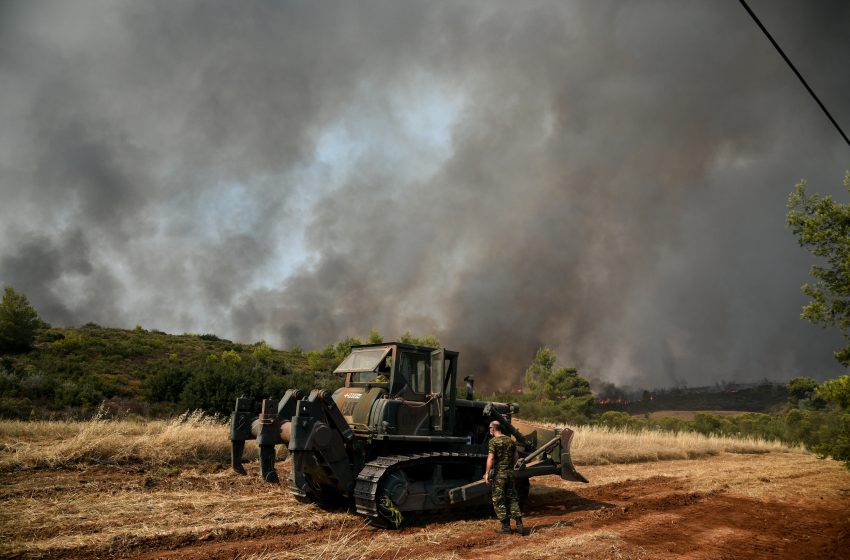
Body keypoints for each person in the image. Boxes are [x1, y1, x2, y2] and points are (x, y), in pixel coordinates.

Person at [484, 420, 525, 535]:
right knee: (512, 498)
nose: (490, 431)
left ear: (493, 429)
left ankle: (506, 527)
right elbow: (516, 456)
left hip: (499, 475)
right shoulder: (510, 440)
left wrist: (487, 473)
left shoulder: (493, 441)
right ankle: (519, 524)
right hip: (510, 474)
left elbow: (490, 458)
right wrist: (510, 467)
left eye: (490, 429)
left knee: (498, 499)